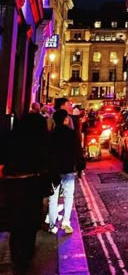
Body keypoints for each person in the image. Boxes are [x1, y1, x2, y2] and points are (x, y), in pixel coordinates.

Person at [0, 113, 50, 274]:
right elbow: (47, 163)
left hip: (12, 185)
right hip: (32, 185)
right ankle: (25, 257)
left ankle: (18, 259)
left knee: (16, 223)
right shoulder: (41, 141)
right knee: (30, 222)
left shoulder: (10, 139)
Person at [47, 109, 86, 235]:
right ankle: (66, 221)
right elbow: (78, 151)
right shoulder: (72, 134)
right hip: (68, 168)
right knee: (69, 196)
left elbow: (48, 154)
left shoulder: (51, 135)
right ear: (65, 119)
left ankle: (52, 225)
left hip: (55, 170)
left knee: (53, 198)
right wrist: (80, 167)